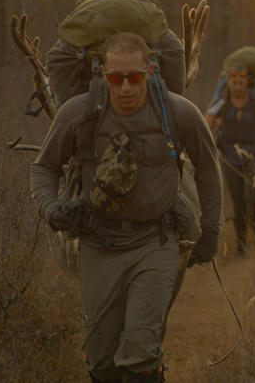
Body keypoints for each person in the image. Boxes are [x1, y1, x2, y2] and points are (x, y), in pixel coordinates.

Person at [30, 32, 223, 383]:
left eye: (134, 77)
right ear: (101, 73)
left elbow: (208, 168)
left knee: (141, 354)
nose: (126, 88)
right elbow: (44, 167)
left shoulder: (178, 113)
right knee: (102, 360)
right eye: (115, 78)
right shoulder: (78, 113)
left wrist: (212, 228)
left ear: (150, 71)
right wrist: (50, 206)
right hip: (98, 243)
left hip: (156, 241)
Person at [204, 65, 255, 257]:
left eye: (241, 83)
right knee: (238, 203)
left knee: (252, 197)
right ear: (228, 83)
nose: (237, 86)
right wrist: (208, 149)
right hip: (230, 158)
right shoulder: (222, 101)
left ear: (247, 83)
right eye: (234, 82)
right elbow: (206, 125)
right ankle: (242, 246)